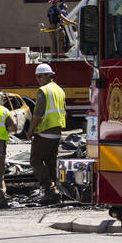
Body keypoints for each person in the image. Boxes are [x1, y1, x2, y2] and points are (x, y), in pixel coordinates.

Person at [28, 63, 67, 204]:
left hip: (44, 132)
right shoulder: (60, 90)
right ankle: (56, 191)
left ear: (47, 75)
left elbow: (37, 114)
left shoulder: (43, 91)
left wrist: (30, 130)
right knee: (51, 162)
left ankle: (49, 189)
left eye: (40, 76)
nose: (38, 79)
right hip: (57, 132)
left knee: (35, 160)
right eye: (36, 76)